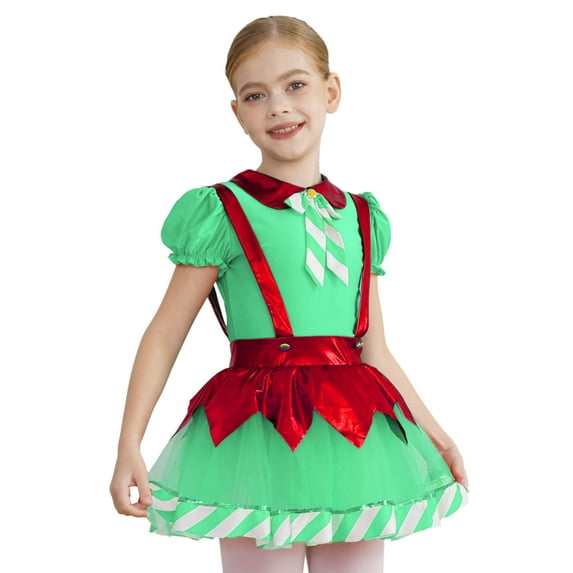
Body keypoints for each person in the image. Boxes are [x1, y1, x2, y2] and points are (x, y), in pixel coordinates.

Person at [110, 15, 468, 573]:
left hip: (354, 433)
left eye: (295, 85)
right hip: (258, 430)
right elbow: (165, 333)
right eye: (256, 95)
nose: (278, 107)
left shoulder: (363, 218)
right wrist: (129, 441)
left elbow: (373, 350)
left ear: (331, 91)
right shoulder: (221, 211)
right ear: (237, 112)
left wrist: (436, 436)